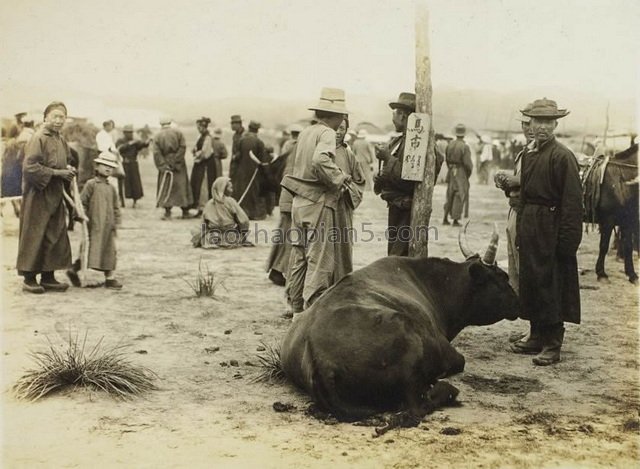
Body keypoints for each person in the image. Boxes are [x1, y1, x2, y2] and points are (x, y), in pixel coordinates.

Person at [510, 98, 582, 366]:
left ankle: (553, 343)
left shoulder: (563, 157)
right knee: (531, 280)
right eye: (536, 121)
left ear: (555, 124)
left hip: (552, 226)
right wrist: (521, 228)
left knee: (552, 283)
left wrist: (567, 241)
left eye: (547, 122)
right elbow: (524, 196)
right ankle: (536, 335)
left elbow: (573, 203)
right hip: (531, 224)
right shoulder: (530, 155)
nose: (541, 127)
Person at [281, 87, 351, 315]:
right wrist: (339, 179)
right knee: (319, 260)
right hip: (318, 203)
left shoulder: (305, 133)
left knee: (299, 257)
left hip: (299, 202)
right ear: (336, 115)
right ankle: (310, 316)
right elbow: (320, 160)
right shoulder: (326, 133)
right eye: (342, 116)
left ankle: (295, 307)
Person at [374, 92, 444, 255]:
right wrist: (381, 177)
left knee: (398, 258)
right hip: (396, 208)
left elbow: (408, 179)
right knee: (395, 254)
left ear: (404, 116)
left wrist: (387, 158)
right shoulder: (399, 142)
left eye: (396, 114)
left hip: (407, 210)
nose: (394, 118)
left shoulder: (419, 145)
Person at [16, 101, 75, 293]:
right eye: (55, 116)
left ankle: (48, 276)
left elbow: (63, 161)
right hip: (38, 193)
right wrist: (58, 174)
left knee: (54, 234)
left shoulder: (60, 139)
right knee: (35, 234)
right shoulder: (38, 138)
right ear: (45, 118)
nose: (59, 121)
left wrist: (68, 169)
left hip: (55, 193)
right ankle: (29, 278)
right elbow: (30, 168)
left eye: (62, 117)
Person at [494, 102, 534, 294]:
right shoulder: (523, 153)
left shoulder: (541, 153)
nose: (529, 129)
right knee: (513, 257)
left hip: (529, 213)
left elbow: (536, 181)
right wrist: (505, 184)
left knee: (525, 257)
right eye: (525, 124)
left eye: (531, 123)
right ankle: (518, 298)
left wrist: (514, 179)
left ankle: (526, 298)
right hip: (515, 209)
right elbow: (518, 184)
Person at [66, 152, 122, 289]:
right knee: (90, 249)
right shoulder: (91, 184)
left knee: (109, 250)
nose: (108, 169)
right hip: (94, 224)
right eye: (105, 166)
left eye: (111, 167)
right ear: (97, 167)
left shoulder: (112, 188)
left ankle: (110, 278)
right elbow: (81, 203)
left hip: (108, 225)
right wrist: (81, 216)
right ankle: (74, 269)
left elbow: (116, 207)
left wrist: (116, 222)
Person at [265, 124, 302, 286]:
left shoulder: (288, 148)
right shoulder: (299, 150)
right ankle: (278, 271)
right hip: (293, 199)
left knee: (284, 235)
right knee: (290, 236)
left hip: (286, 197)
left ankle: (277, 270)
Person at [334, 117, 366, 280]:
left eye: (342, 128)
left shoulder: (348, 153)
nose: (338, 132)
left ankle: (341, 280)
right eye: (336, 128)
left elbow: (360, 181)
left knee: (342, 244)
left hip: (342, 207)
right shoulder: (320, 151)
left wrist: (347, 188)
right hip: (322, 206)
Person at [192, 176, 253, 249]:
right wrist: (242, 233)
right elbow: (244, 221)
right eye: (230, 188)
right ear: (223, 189)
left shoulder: (209, 203)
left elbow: (203, 224)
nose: (232, 190)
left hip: (212, 237)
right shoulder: (231, 201)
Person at [153, 117, 194, 219]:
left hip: (165, 161)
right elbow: (183, 147)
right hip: (178, 164)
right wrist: (176, 161)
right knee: (182, 186)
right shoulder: (178, 133)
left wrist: (163, 165)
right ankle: (185, 212)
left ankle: (167, 212)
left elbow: (156, 152)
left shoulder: (157, 135)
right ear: (170, 123)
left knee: (167, 186)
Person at [231, 120, 267, 220]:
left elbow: (237, 157)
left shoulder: (241, 140)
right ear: (257, 130)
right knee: (253, 191)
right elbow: (263, 160)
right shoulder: (259, 142)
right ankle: (254, 214)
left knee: (242, 190)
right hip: (254, 172)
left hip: (241, 171)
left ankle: (242, 213)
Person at [1, 115, 35, 217]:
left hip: (7, 171)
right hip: (20, 171)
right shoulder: (32, 136)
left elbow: (5, 158)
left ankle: (17, 209)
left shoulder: (12, 142)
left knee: (9, 194)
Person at [443, 124, 473, 226]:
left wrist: (451, 168)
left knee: (449, 194)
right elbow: (468, 164)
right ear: (464, 134)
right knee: (459, 194)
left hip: (451, 171)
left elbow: (446, 159)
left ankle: (445, 218)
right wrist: (467, 174)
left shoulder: (450, 144)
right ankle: (455, 220)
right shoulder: (465, 146)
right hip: (461, 172)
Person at [116, 124, 149, 208]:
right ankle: (122, 201)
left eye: (131, 132)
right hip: (124, 164)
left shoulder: (134, 141)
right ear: (124, 133)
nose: (130, 134)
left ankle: (135, 201)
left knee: (135, 183)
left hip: (133, 164)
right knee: (123, 183)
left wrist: (147, 142)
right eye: (128, 132)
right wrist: (129, 144)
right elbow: (119, 149)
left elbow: (141, 145)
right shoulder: (120, 140)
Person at [190, 117, 217, 216]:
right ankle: (200, 208)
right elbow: (197, 147)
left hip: (206, 165)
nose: (198, 129)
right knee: (198, 185)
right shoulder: (200, 137)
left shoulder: (208, 137)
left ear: (204, 127)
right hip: (200, 164)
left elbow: (206, 152)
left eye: (200, 127)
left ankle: (204, 208)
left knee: (204, 186)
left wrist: (197, 154)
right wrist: (194, 150)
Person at [96, 119, 125, 207]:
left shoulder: (107, 135)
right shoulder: (101, 135)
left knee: (113, 179)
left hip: (110, 157)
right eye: (111, 126)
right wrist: (114, 152)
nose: (111, 128)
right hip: (105, 157)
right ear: (106, 126)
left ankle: (113, 199)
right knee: (108, 178)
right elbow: (105, 148)